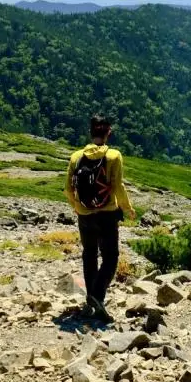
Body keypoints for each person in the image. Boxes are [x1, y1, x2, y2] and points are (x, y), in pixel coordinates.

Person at [65, 114, 136, 319]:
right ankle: (97, 296)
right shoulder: (114, 156)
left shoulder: (76, 157)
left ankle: (90, 299)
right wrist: (128, 208)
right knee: (111, 256)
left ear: (90, 132)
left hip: (84, 214)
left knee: (89, 254)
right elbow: (118, 186)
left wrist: (77, 207)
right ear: (108, 133)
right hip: (107, 214)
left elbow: (68, 189)